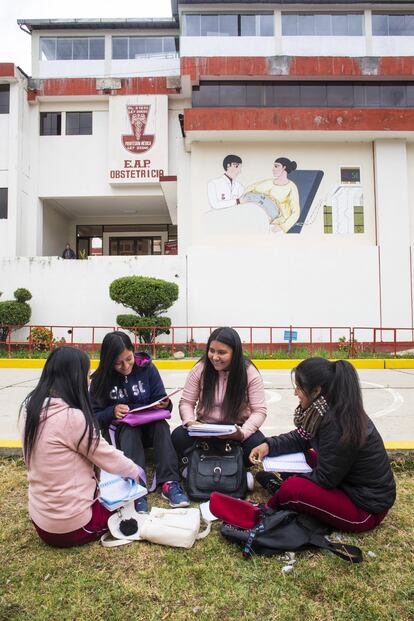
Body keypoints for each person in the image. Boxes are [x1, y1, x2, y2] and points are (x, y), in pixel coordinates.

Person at [249, 357, 396, 532]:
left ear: (317, 390)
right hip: (344, 484)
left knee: (293, 488)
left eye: (299, 387)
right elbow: (301, 438)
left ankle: (278, 499)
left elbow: (326, 478)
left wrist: (290, 488)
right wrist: (269, 446)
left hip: (365, 510)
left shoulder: (337, 422)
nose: (295, 392)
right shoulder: (325, 409)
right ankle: (287, 494)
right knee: (300, 458)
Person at [21, 346, 141, 548]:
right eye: (87, 375)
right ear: (75, 379)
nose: (89, 381)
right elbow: (108, 458)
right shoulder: (73, 418)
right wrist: (135, 471)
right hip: (70, 528)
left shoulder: (32, 409)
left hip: (40, 520)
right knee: (133, 500)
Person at [90, 331, 189, 511]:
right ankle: (136, 486)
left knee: (161, 425)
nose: (126, 366)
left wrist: (165, 404)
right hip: (122, 433)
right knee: (129, 428)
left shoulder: (147, 368)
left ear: (133, 352)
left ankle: (170, 483)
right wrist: (111, 411)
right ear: (107, 361)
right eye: (118, 363)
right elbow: (93, 417)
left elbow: (161, 400)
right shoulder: (100, 379)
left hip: (150, 426)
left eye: (129, 358)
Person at [172, 327, 267, 466]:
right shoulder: (200, 368)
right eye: (211, 351)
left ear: (235, 353)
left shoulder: (249, 372)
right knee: (178, 436)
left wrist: (243, 433)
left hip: (236, 430)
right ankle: (208, 464)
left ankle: (235, 469)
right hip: (204, 428)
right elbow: (186, 402)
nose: (215, 357)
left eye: (222, 352)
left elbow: (260, 411)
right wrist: (190, 422)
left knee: (257, 443)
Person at [244, 157, 300, 233]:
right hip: (253, 216)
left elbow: (296, 212)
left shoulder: (291, 187)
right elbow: (249, 188)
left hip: (274, 223)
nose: (273, 169)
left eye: (276, 166)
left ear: (284, 167)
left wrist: (283, 227)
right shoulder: (268, 182)